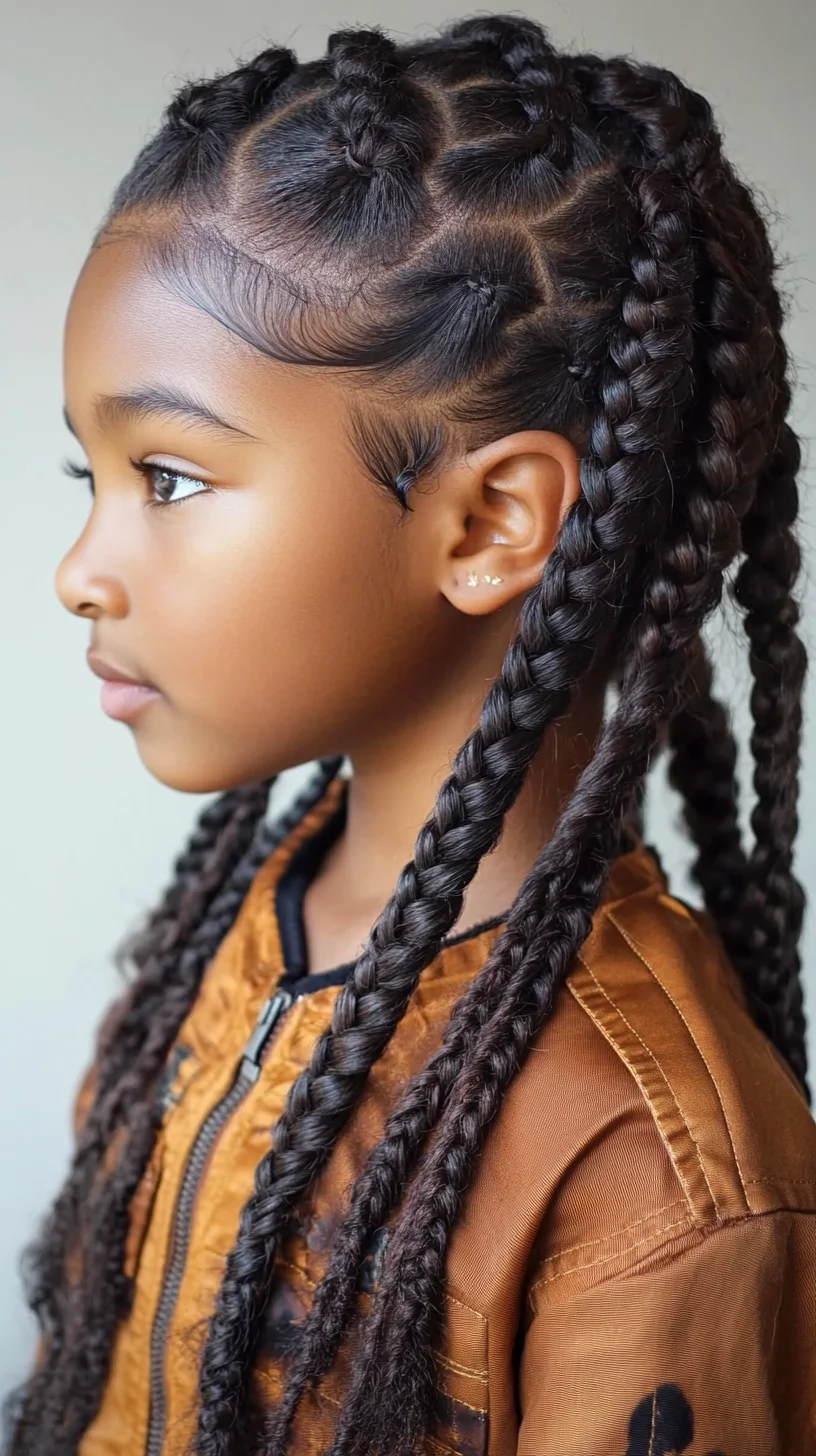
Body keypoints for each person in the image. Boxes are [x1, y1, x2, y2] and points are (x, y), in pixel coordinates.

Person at [5, 12, 816, 1456]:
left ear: (494, 522)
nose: (81, 567)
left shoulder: (648, 1169)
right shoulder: (242, 936)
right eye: (93, 471)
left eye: (171, 478)